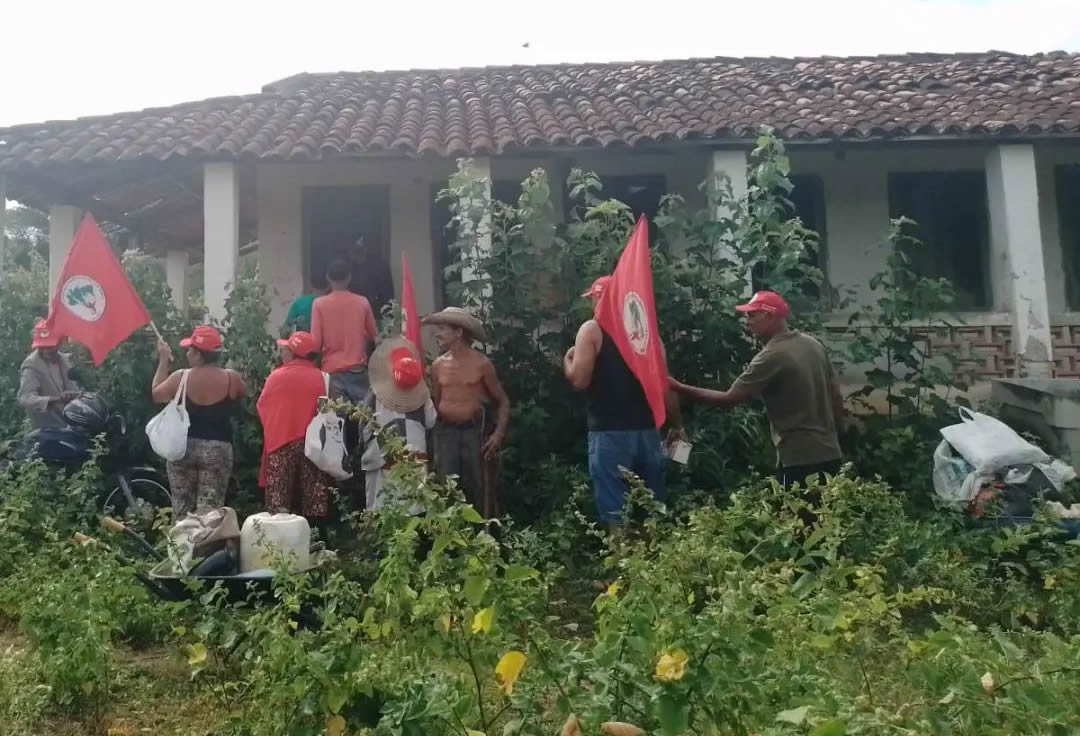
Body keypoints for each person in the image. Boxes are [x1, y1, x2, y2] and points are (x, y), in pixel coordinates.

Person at [669, 290, 844, 490]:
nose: (747, 321)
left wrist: (677, 386)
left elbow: (729, 399)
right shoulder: (812, 344)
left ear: (770, 316)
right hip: (830, 452)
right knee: (828, 516)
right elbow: (836, 395)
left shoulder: (772, 355)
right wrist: (837, 436)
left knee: (801, 516)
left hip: (799, 458)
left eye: (752, 315)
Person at [563, 276, 685, 527]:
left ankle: (622, 560)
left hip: (610, 433)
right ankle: (660, 560)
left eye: (594, 299)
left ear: (600, 298)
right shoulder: (648, 334)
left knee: (614, 507)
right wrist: (677, 425)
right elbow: (665, 386)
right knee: (652, 504)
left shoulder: (592, 329)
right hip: (648, 432)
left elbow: (579, 380)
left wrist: (568, 362)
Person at [152, 325, 247, 518]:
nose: (187, 354)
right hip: (218, 450)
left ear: (198, 354)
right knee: (210, 513)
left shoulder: (181, 377)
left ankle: (181, 546)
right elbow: (243, 396)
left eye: (190, 350)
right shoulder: (232, 378)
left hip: (184, 449)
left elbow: (157, 395)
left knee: (181, 508)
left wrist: (163, 361)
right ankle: (207, 547)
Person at [424, 307, 510, 517]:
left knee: (477, 489)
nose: (437, 334)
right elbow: (436, 402)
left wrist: (498, 436)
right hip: (446, 434)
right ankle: (449, 543)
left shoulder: (482, 364)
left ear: (458, 332)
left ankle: (482, 541)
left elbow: (503, 401)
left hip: (473, 433)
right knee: (446, 488)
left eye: (442, 329)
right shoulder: (438, 365)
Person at [256, 331, 333, 523]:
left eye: (286, 349)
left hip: (280, 444)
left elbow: (262, 407)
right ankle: (316, 542)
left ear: (293, 353)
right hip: (314, 446)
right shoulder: (323, 378)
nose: (282, 353)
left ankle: (279, 544)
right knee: (314, 501)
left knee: (278, 504)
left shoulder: (276, 377)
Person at [360, 337, 437, 512]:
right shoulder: (423, 395)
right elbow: (431, 421)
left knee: (382, 505)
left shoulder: (375, 393)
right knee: (413, 507)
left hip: (383, 455)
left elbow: (364, 425)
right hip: (416, 455)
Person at [311, 258, 379, 405]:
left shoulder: (319, 304)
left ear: (328, 278)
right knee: (364, 421)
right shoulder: (362, 302)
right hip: (358, 372)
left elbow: (315, 344)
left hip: (332, 374)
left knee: (335, 424)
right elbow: (375, 337)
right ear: (349, 277)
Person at [18, 319, 81, 430]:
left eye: (50, 346)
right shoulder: (31, 365)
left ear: (59, 343)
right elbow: (25, 398)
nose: (47, 350)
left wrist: (73, 394)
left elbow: (78, 389)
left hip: (71, 423)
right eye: (43, 347)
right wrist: (53, 399)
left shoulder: (66, 360)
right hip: (48, 428)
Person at [348, 234, 394, 317]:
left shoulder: (379, 266)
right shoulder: (349, 268)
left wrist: (388, 315)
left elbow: (388, 294)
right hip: (353, 312)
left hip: (375, 311)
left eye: (361, 245)